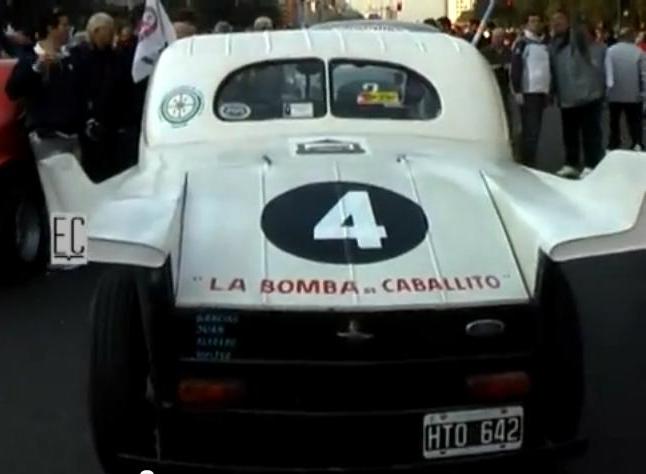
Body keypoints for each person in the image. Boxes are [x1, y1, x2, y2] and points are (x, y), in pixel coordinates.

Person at [5, 7, 83, 164]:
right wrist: (36, 69)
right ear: (50, 28)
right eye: (64, 25)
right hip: (48, 138)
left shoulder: (69, 58)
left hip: (73, 137)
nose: (69, 29)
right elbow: (12, 90)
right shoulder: (30, 58)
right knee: (55, 186)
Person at [550, 11, 606, 179]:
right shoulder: (553, 45)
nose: (556, 23)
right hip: (567, 97)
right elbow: (553, 71)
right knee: (570, 134)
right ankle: (571, 163)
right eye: (553, 21)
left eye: (560, 20)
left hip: (588, 94)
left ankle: (592, 163)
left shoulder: (578, 37)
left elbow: (587, 32)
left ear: (568, 22)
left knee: (591, 132)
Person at [75, 12, 118, 181]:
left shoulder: (114, 56)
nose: (113, 34)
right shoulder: (79, 56)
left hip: (111, 122)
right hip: (88, 123)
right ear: (96, 31)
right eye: (109, 31)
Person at [510, 12, 551, 167]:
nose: (535, 23)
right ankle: (527, 161)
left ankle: (527, 157)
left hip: (542, 91)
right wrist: (517, 89)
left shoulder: (543, 44)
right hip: (529, 91)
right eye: (532, 21)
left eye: (537, 20)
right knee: (530, 129)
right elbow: (516, 67)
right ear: (526, 25)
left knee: (535, 128)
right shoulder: (522, 44)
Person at [605, 27, 646, 151]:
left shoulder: (610, 51)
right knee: (634, 121)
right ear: (632, 37)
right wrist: (643, 93)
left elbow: (606, 71)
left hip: (614, 93)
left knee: (614, 121)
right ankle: (637, 142)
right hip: (633, 94)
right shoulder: (639, 52)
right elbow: (644, 74)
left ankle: (614, 142)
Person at [482, 28, 512, 136]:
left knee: (506, 112)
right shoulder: (484, 52)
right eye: (496, 37)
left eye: (501, 37)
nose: (498, 40)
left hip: (505, 87)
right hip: (491, 87)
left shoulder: (509, 52)